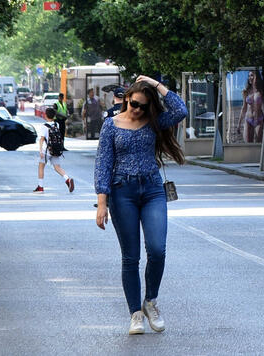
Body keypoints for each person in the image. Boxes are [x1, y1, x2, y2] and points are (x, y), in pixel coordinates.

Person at [94, 75, 187, 335]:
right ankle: (135, 313)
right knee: (131, 257)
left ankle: (151, 301)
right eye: (135, 104)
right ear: (126, 100)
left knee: (157, 249)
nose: (138, 110)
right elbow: (102, 164)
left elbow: (181, 110)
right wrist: (102, 202)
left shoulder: (154, 122)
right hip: (122, 192)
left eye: (144, 106)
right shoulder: (111, 125)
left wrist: (155, 84)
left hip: (152, 190)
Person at [34, 106, 75, 193]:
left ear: (46, 115)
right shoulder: (57, 124)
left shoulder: (44, 126)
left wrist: (40, 150)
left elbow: (41, 139)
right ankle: (67, 179)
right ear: (54, 116)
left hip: (46, 150)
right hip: (55, 150)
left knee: (41, 166)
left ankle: (40, 186)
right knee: (57, 167)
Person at [238, 70, 264, 143]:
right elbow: (244, 107)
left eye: (252, 75)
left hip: (259, 119)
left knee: (258, 143)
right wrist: (239, 124)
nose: (250, 77)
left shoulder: (262, 91)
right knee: (247, 143)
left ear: (257, 77)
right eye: (249, 76)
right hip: (248, 119)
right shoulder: (246, 91)